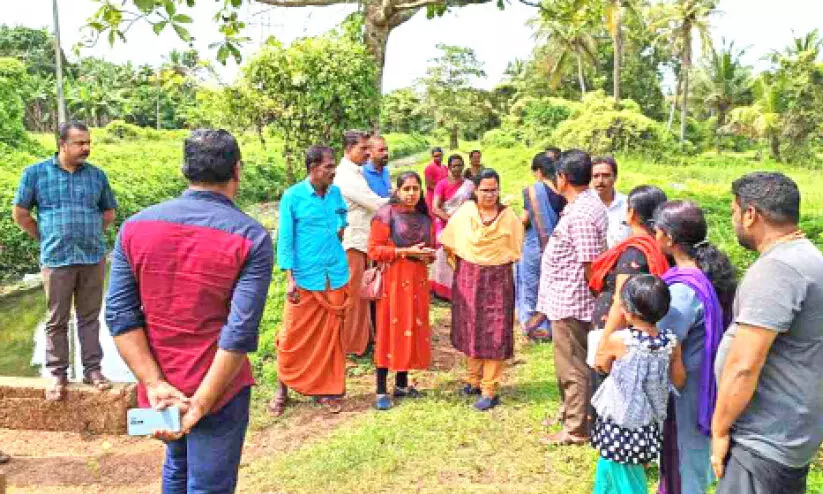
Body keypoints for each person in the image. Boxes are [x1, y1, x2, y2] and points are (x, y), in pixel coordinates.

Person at [105, 129, 273, 493]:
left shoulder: (135, 227)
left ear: (185, 170)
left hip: (162, 381)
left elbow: (120, 314)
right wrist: (202, 402)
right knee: (208, 484)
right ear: (237, 170)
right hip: (219, 388)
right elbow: (238, 332)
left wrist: (155, 385)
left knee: (177, 467)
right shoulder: (251, 237)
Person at [712, 172, 823, 494]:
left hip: (763, 441)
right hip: (788, 432)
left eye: (734, 211)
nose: (733, 220)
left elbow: (744, 364)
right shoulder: (809, 258)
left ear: (751, 214)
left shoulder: (779, 270)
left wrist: (720, 430)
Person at [12, 120, 117, 400]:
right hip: (56, 260)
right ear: (62, 144)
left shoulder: (97, 176)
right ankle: (58, 373)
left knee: (89, 317)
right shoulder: (35, 174)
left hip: (92, 257)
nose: (86, 148)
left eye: (88, 143)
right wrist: (46, 237)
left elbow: (108, 213)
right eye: (79, 143)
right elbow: (20, 214)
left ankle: (92, 370)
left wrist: (89, 234)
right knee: (56, 319)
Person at [654, 200, 737, 494]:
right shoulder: (702, 273)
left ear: (670, 238)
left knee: (685, 458)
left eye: (658, 230)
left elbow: (664, 341)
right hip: (703, 374)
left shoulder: (681, 290)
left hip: (686, 385)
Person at [272, 145, 351, 416]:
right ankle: (282, 389)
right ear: (313, 168)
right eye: (329, 166)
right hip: (305, 278)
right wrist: (289, 278)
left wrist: (339, 228)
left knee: (330, 336)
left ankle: (326, 390)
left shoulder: (335, 193)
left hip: (335, 273)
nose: (334, 171)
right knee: (292, 334)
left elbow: (342, 214)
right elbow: (285, 240)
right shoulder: (292, 197)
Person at [536, 149, 608, 445]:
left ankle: (576, 428)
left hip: (573, 302)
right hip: (566, 299)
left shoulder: (581, 214)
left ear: (563, 178)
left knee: (573, 366)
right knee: (571, 363)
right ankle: (571, 413)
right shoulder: (584, 205)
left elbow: (591, 265)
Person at [590, 274, 686, 494]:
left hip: (619, 422)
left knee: (625, 479)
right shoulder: (671, 343)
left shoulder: (620, 340)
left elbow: (601, 364)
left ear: (628, 312)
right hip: (649, 424)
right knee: (617, 468)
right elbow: (679, 379)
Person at [440, 169, 524, 411]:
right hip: (468, 276)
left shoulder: (509, 217)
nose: (489, 194)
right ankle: (473, 380)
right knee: (470, 326)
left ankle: (490, 388)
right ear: (475, 191)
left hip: (498, 277)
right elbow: (450, 243)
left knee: (495, 331)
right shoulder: (465, 212)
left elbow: (515, 249)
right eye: (484, 190)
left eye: (494, 189)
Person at [367, 171, 436, 411]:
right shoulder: (385, 215)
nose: (411, 194)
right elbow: (374, 251)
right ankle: (380, 389)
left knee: (410, 327)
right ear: (397, 190)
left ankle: (402, 385)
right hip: (393, 282)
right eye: (406, 189)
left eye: (415, 189)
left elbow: (430, 248)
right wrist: (404, 252)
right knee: (389, 330)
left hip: (417, 281)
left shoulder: (424, 217)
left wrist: (429, 255)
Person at [590, 185, 670, 371]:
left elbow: (621, 301)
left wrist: (603, 348)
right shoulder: (660, 246)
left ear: (632, 212)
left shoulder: (635, 253)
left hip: (620, 338)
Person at [334, 130, 389, 355]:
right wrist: (400, 201)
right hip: (353, 242)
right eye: (363, 149)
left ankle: (362, 339)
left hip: (361, 240)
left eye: (369, 148)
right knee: (355, 294)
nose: (367, 153)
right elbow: (374, 203)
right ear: (349, 150)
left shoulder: (356, 173)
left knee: (363, 293)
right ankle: (353, 345)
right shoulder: (346, 176)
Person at [515, 153, 566, 342]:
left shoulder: (534, 191)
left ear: (538, 171)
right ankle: (550, 326)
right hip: (557, 248)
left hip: (535, 247)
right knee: (551, 286)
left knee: (531, 285)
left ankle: (532, 327)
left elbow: (525, 219)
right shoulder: (563, 192)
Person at [430, 154, 475, 301]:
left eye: (460, 165)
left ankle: (459, 288)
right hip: (445, 224)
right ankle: (441, 290)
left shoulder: (469, 185)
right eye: (454, 166)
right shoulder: (441, 184)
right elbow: (436, 208)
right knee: (444, 254)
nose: (457, 168)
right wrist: (451, 221)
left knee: (461, 255)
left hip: (465, 225)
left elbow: (474, 204)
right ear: (449, 167)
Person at [591, 156, 630, 248]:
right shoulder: (583, 206)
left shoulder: (628, 205)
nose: (600, 181)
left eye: (606, 175)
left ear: (615, 177)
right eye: (596, 176)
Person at [424, 147, 447, 217]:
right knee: (434, 216)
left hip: (443, 197)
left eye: (440, 155)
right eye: (436, 156)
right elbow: (429, 185)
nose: (438, 158)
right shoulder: (429, 168)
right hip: (433, 197)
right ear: (432, 157)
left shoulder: (445, 167)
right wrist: (441, 192)